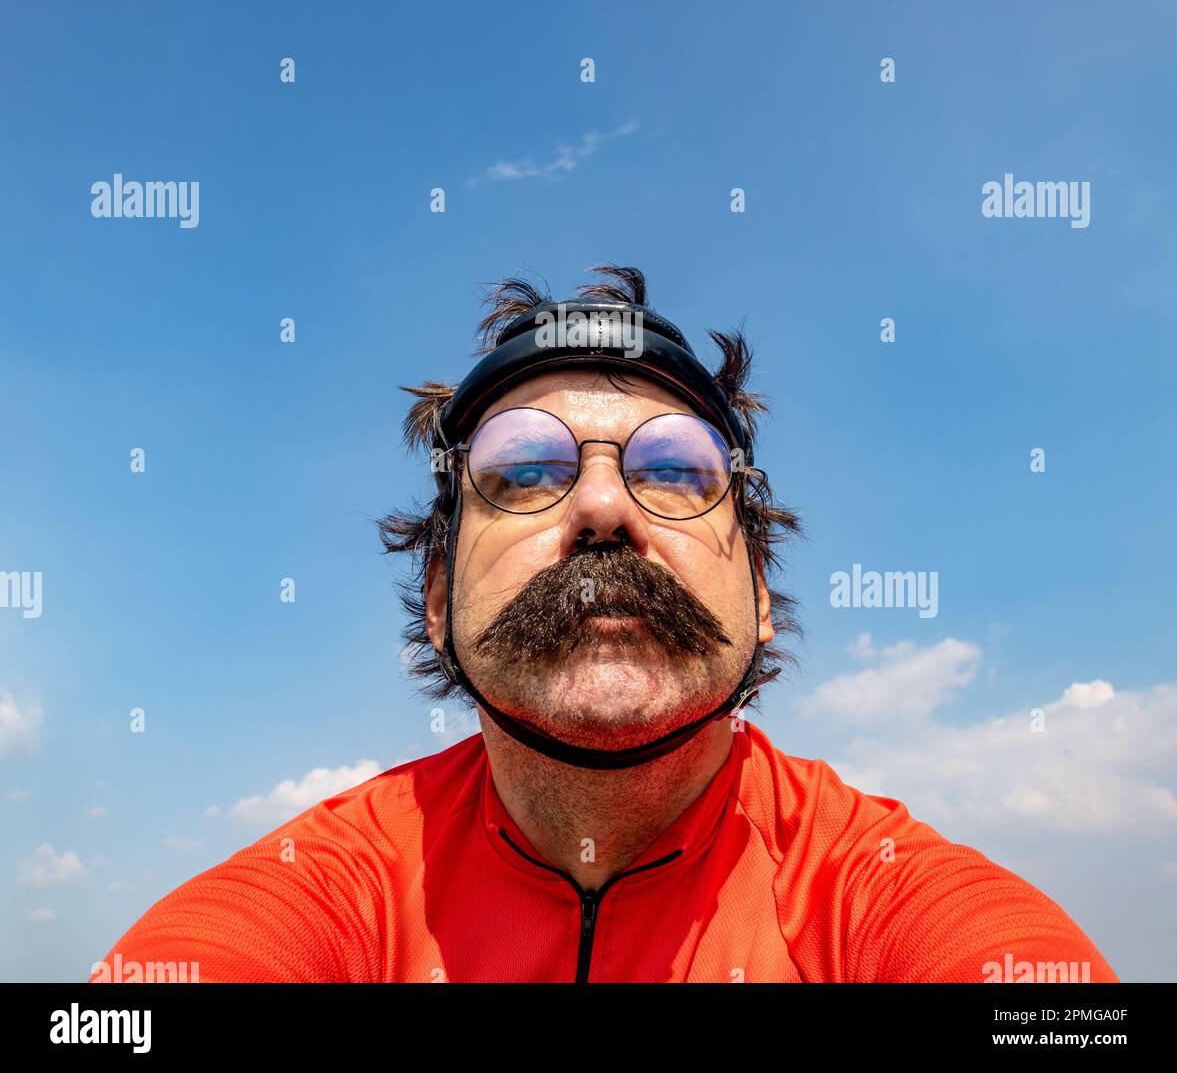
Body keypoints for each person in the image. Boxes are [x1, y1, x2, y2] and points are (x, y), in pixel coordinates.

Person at [89, 265, 1118, 983]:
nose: (603, 506)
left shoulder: (876, 890)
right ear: (439, 597)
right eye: (524, 470)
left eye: (674, 469)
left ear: (759, 592)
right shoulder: (332, 885)